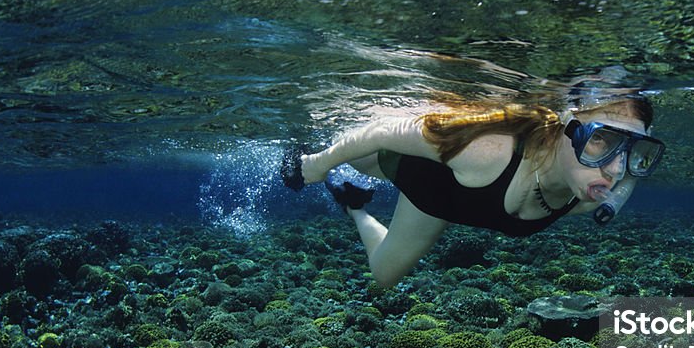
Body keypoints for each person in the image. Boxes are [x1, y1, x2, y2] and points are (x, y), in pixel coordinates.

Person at [281, 91, 664, 288]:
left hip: (458, 199)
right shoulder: (491, 150)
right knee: (357, 158)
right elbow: (385, 131)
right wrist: (316, 164)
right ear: (565, 127)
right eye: (601, 141)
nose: (616, 170)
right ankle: (325, 164)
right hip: (414, 172)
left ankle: (353, 205)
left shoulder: (587, 192)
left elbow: (626, 178)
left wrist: (611, 205)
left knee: (384, 276)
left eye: (635, 152)